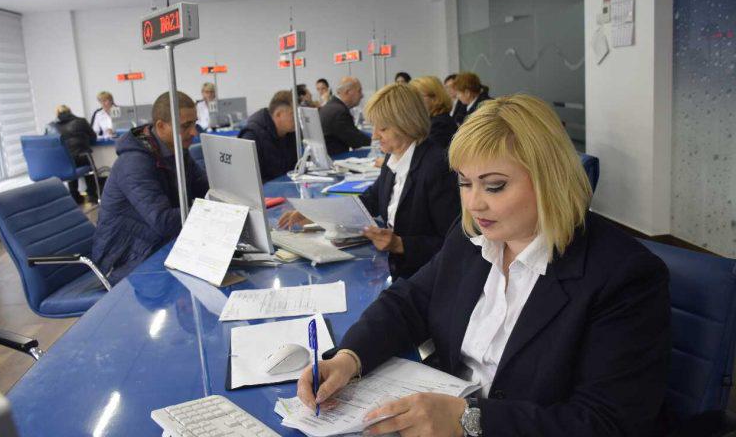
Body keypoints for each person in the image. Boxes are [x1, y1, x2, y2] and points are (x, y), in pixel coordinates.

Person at [296, 94, 670, 437]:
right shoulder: (471, 239)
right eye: (465, 183)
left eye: (494, 186)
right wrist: (349, 357)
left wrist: (468, 420)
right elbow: (409, 301)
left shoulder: (624, 276)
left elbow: (606, 422)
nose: (474, 204)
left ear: (549, 180)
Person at [280, 83, 459, 279]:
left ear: (407, 124)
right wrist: (316, 215)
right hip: (396, 267)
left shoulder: (437, 168)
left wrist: (400, 244)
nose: (374, 135)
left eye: (382, 128)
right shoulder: (394, 157)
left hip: (423, 276)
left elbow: (454, 243)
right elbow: (369, 201)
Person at [92, 91, 209, 281]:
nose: (194, 132)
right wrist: (212, 211)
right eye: (186, 126)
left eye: (194, 123)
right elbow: (164, 221)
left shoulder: (177, 150)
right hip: (127, 259)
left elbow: (205, 188)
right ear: (161, 126)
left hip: (158, 244)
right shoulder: (134, 163)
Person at [238, 90, 298, 182]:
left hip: (284, 185)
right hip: (267, 189)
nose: (297, 119)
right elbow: (249, 178)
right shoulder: (252, 136)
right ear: (278, 114)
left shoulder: (290, 133)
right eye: (292, 114)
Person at [45, 105, 99, 204]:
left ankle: (75, 196)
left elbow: (47, 144)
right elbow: (93, 137)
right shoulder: (81, 121)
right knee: (87, 164)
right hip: (81, 157)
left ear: (57, 114)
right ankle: (92, 196)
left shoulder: (50, 126)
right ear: (70, 111)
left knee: (69, 166)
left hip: (62, 162)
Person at [318, 76, 371, 156]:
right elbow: (357, 142)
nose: (362, 95)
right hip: (335, 157)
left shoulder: (331, 106)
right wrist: (377, 141)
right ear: (348, 92)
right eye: (359, 91)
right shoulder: (339, 112)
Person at [410, 75, 457, 149]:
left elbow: (426, 152)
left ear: (435, 98)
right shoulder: (431, 121)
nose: (413, 101)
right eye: (412, 97)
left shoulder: (440, 124)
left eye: (418, 97)